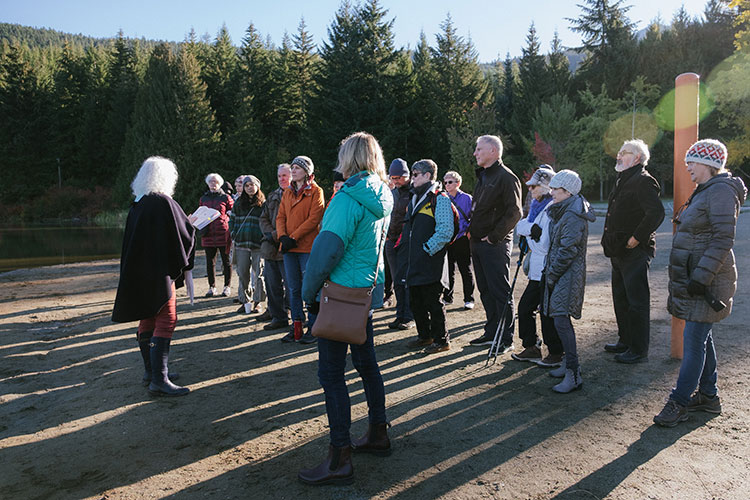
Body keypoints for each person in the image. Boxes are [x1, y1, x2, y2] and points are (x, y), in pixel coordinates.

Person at [298, 132, 393, 485]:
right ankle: (378, 432)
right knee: (367, 365)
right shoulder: (384, 194)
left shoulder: (346, 198)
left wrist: (307, 296)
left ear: (347, 157)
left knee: (331, 374)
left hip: (339, 296)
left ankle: (340, 457)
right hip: (364, 294)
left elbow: (326, 252)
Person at [654, 139, 747, 427]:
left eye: (691, 162)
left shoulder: (720, 191)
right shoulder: (707, 190)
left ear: (708, 164)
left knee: (694, 342)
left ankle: (679, 402)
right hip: (699, 280)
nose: (687, 167)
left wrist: (701, 277)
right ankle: (708, 396)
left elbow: (722, 239)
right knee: (701, 338)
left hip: (707, 283)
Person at [112, 156, 193, 397]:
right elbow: (183, 231)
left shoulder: (139, 203)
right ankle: (159, 378)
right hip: (157, 272)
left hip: (139, 272)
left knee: (148, 317)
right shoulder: (162, 202)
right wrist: (194, 225)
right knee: (167, 319)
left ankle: (152, 372)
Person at [602, 139, 665, 364]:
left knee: (637, 301)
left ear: (637, 158)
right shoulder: (623, 179)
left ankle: (638, 350)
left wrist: (636, 238)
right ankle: (625, 341)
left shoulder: (643, 181)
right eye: (618, 152)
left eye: (624, 152)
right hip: (618, 251)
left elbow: (656, 213)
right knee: (621, 299)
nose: (618, 156)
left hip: (634, 252)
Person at [541, 170, 596, 393]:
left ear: (568, 192)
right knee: (559, 320)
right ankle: (567, 365)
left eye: (556, 189)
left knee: (561, 321)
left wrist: (552, 273)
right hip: (562, 272)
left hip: (567, 273)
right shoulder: (566, 210)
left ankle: (574, 373)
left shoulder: (572, 214)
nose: (551, 192)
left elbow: (567, 250)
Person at [468, 135, 522, 353]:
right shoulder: (483, 176)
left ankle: (506, 338)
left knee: (500, 291)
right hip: (477, 244)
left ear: (493, 151)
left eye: (479, 149)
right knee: (485, 290)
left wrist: (493, 237)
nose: (475, 153)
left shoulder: (506, 177)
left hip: (494, 245)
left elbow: (515, 212)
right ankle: (491, 332)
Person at [399, 159, 454, 354]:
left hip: (432, 262)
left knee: (434, 302)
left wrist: (426, 249)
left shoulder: (440, 198)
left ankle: (441, 340)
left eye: (415, 174)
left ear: (428, 176)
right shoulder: (415, 197)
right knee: (416, 301)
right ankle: (425, 336)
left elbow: (445, 231)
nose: (411, 178)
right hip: (414, 261)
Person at [512, 166, 564, 367]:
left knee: (547, 312)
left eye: (534, 186)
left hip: (547, 268)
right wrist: (531, 230)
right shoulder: (536, 206)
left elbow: (543, 244)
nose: (530, 189)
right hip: (535, 270)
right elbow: (521, 226)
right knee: (525, 307)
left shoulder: (552, 208)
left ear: (546, 187)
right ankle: (532, 346)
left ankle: (556, 352)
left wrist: (531, 232)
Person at [276, 155, 325, 343]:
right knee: (293, 288)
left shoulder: (316, 191)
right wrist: (282, 237)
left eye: (297, 168)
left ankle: (314, 327)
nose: (293, 170)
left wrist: (293, 238)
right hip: (289, 247)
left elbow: (314, 218)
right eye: (293, 167)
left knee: (310, 288)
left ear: (307, 172)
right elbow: (280, 216)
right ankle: (296, 326)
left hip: (306, 247)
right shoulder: (287, 192)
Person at [259, 164, 292, 329]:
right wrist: (272, 234)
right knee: (272, 285)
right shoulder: (272, 196)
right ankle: (278, 317)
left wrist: (278, 236)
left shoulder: (297, 196)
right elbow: (263, 218)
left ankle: (295, 315)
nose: (282, 179)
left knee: (292, 285)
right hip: (270, 249)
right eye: (280, 176)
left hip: (290, 248)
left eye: (285, 175)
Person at [229, 175, 266, 314]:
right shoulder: (238, 203)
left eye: (252, 184)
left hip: (258, 244)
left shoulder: (264, 204)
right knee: (242, 273)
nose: (250, 187)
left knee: (259, 275)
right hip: (241, 243)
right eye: (247, 185)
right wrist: (233, 233)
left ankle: (258, 302)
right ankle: (245, 301)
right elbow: (231, 220)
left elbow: (267, 222)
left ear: (258, 186)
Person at [386, 158, 415, 330]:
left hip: (406, 241)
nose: (396, 181)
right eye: (393, 178)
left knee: (406, 280)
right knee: (397, 280)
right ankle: (399, 315)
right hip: (391, 240)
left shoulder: (414, 192)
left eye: (399, 178)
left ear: (407, 176)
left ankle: (409, 316)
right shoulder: (393, 193)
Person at [442, 170, 475, 310]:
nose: (447, 185)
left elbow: (474, 216)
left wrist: (469, 231)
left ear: (458, 183)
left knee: (465, 269)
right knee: (447, 270)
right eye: (445, 182)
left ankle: (469, 299)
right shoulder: (443, 198)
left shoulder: (467, 198)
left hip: (462, 238)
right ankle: (447, 297)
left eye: (450, 182)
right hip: (448, 239)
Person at [199, 173, 234, 297]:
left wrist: (225, 219)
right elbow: (200, 213)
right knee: (210, 262)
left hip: (223, 233)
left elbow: (232, 211)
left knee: (226, 261)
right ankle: (212, 287)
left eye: (216, 182)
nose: (213, 184)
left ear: (220, 183)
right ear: (208, 184)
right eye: (211, 182)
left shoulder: (226, 197)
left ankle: (227, 287)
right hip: (208, 233)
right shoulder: (203, 199)